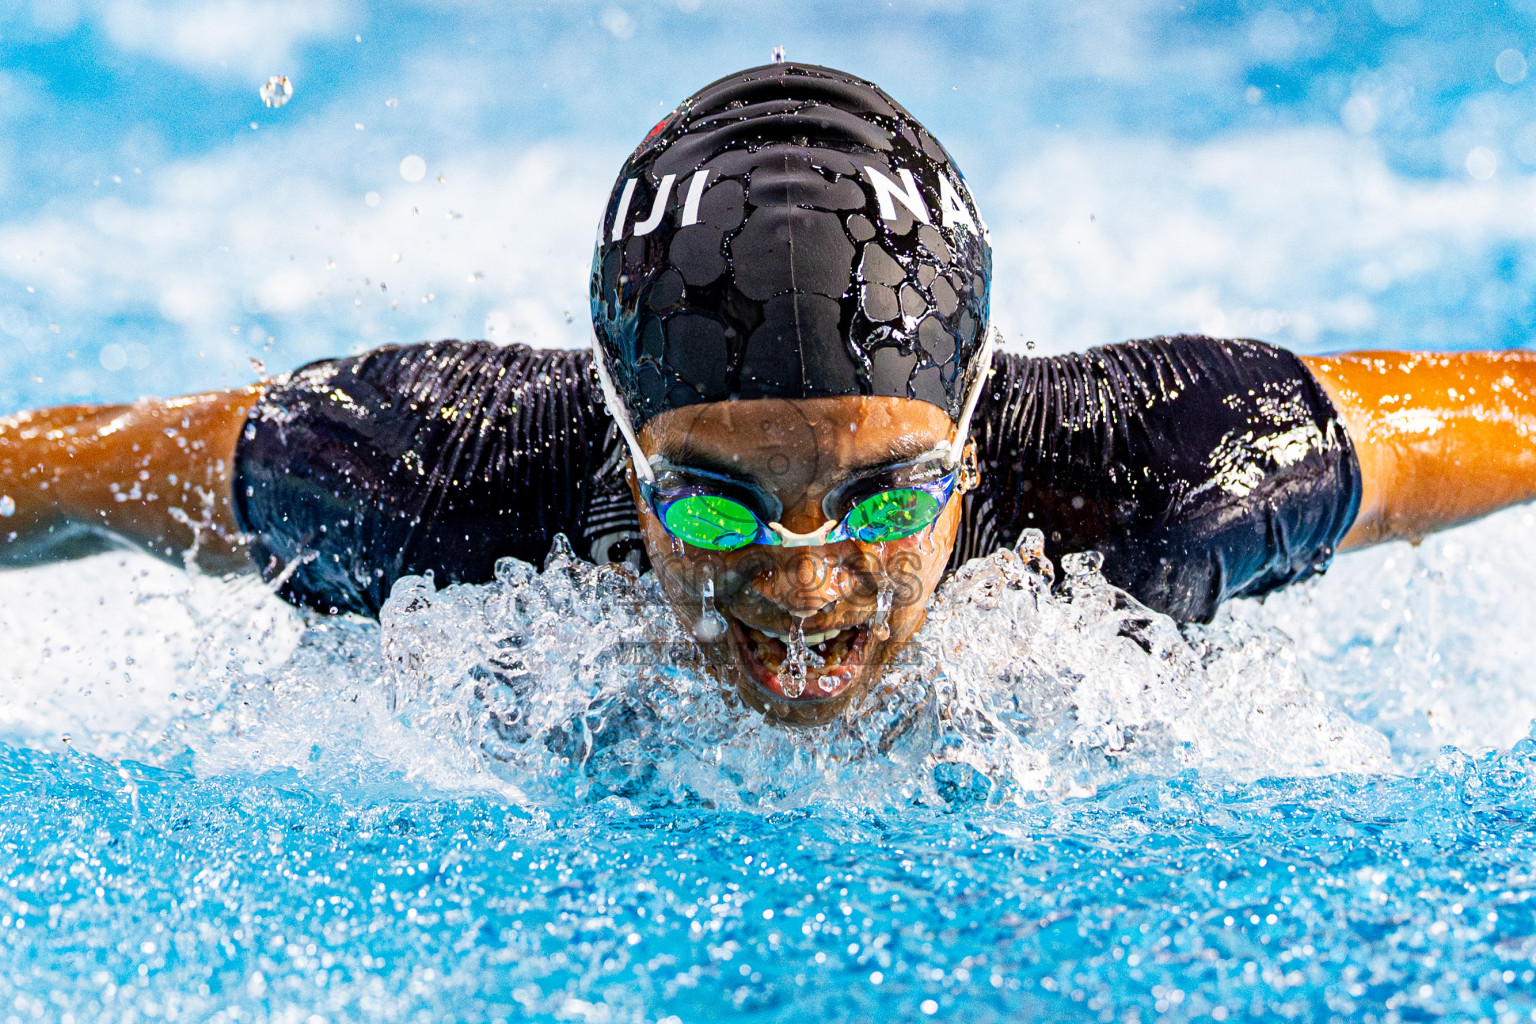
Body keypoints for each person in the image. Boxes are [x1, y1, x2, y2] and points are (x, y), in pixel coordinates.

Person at [3, 62, 1536, 725]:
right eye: (715, 503)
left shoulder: (1171, 472)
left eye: (884, 496)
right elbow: (66, 474)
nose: (803, 582)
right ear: (622, 442)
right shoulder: (430, 478)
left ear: (974, 415)